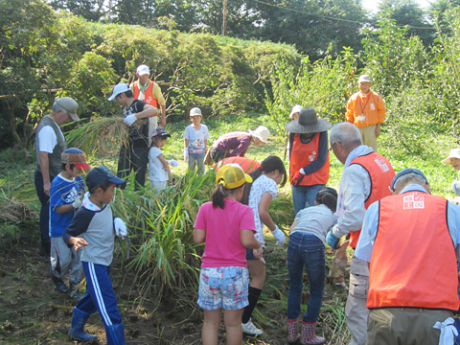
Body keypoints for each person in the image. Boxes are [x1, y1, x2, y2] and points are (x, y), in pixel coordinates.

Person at [355, 168, 460, 344]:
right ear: (427, 186)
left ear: (393, 191)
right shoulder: (450, 209)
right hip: (436, 314)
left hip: (386, 310)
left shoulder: (378, 209)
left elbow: (367, 260)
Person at [325, 122, 395, 345]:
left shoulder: (355, 169)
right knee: (383, 305)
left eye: (332, 149)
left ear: (337, 146)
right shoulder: (380, 160)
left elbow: (356, 216)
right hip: (390, 244)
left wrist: (335, 232)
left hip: (368, 248)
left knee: (358, 309)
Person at [193, 164, 263, 345]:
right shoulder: (244, 210)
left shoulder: (206, 208)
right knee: (233, 325)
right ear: (241, 189)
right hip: (234, 273)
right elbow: (247, 240)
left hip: (209, 274)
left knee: (210, 322)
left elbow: (198, 238)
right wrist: (257, 245)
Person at [63, 166, 128, 344]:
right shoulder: (85, 213)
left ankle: (75, 330)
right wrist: (74, 240)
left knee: (93, 296)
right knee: (108, 304)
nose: (114, 193)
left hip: (105, 261)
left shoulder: (104, 204)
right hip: (94, 263)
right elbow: (67, 233)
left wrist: (116, 223)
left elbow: (104, 221)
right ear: (99, 191)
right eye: (112, 190)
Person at [240, 156, 288, 336]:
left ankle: (236, 315)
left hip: (240, 232)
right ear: (276, 172)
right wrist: (276, 231)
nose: (278, 183)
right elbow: (262, 212)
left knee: (244, 275)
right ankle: (244, 320)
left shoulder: (254, 179)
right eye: (280, 179)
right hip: (254, 236)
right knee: (259, 277)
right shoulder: (269, 183)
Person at [287, 187, 338, 345]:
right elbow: (336, 238)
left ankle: (292, 334)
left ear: (316, 202)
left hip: (294, 241)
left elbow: (291, 230)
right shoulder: (334, 215)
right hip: (313, 244)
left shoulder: (305, 210)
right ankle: (308, 336)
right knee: (316, 291)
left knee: (295, 287)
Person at [34, 97, 80, 261]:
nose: (68, 120)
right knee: (49, 213)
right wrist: (47, 182)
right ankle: (48, 251)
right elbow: (43, 156)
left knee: (52, 211)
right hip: (49, 177)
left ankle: (48, 247)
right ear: (60, 112)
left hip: (55, 176)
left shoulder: (54, 126)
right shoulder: (48, 129)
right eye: (68, 116)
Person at [49, 148, 89, 300]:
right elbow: (58, 209)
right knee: (63, 260)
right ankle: (56, 275)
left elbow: (82, 194)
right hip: (59, 229)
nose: (81, 171)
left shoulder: (78, 179)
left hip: (75, 227)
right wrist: (74, 205)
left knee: (79, 257)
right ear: (67, 167)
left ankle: (74, 285)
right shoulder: (57, 183)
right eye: (79, 168)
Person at [108, 83, 157, 190]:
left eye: (117, 98)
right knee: (121, 176)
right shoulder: (124, 109)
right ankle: (119, 197)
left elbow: (154, 110)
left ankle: (138, 200)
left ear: (122, 95)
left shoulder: (138, 104)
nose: (117, 101)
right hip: (126, 147)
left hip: (140, 147)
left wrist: (135, 116)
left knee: (139, 179)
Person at [285, 107, 331, 215]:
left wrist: (302, 171)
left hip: (316, 180)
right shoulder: (294, 134)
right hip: (298, 181)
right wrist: (292, 174)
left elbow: (321, 159)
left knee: (311, 213)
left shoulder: (322, 134)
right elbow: (292, 155)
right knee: (299, 214)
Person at [345, 74, 386, 151]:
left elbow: (381, 112)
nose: (363, 85)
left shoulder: (376, 97)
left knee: (371, 151)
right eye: (361, 83)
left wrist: (378, 127)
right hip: (357, 128)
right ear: (358, 84)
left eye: (365, 83)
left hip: (371, 128)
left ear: (369, 84)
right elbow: (349, 113)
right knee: (357, 150)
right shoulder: (353, 98)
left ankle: (371, 163)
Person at [131, 64, 166, 133]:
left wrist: (163, 117)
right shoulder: (133, 86)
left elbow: (162, 102)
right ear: (137, 75)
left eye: (146, 75)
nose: (144, 77)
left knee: (151, 139)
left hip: (151, 118)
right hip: (137, 118)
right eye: (142, 75)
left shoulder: (153, 86)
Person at [183, 107, 209, 174]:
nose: (196, 119)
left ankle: (200, 178)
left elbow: (205, 138)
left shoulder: (204, 128)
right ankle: (190, 179)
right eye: (194, 118)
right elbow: (186, 139)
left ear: (201, 117)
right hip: (191, 151)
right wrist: (185, 150)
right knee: (191, 166)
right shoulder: (189, 128)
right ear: (191, 118)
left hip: (201, 151)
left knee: (201, 166)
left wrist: (206, 147)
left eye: (198, 117)